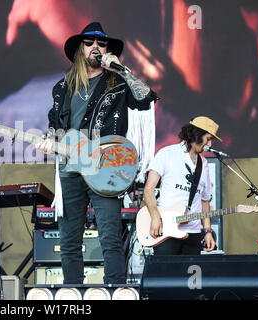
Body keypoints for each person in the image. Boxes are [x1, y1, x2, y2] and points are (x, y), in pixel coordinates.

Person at [36, 22, 157, 284]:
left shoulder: (119, 83)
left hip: (106, 168)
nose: (96, 47)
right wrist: (49, 139)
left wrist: (122, 69)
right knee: (69, 240)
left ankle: (115, 289)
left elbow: (146, 98)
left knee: (110, 238)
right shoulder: (62, 87)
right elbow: (56, 125)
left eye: (101, 44)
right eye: (89, 43)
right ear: (80, 49)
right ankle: (73, 292)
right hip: (70, 169)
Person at [143, 116, 218, 255]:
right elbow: (148, 190)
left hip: (193, 233)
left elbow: (204, 200)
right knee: (166, 275)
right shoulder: (166, 154)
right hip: (166, 230)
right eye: (208, 139)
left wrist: (207, 231)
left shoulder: (204, 164)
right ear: (197, 135)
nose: (210, 144)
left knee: (191, 275)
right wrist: (154, 217)